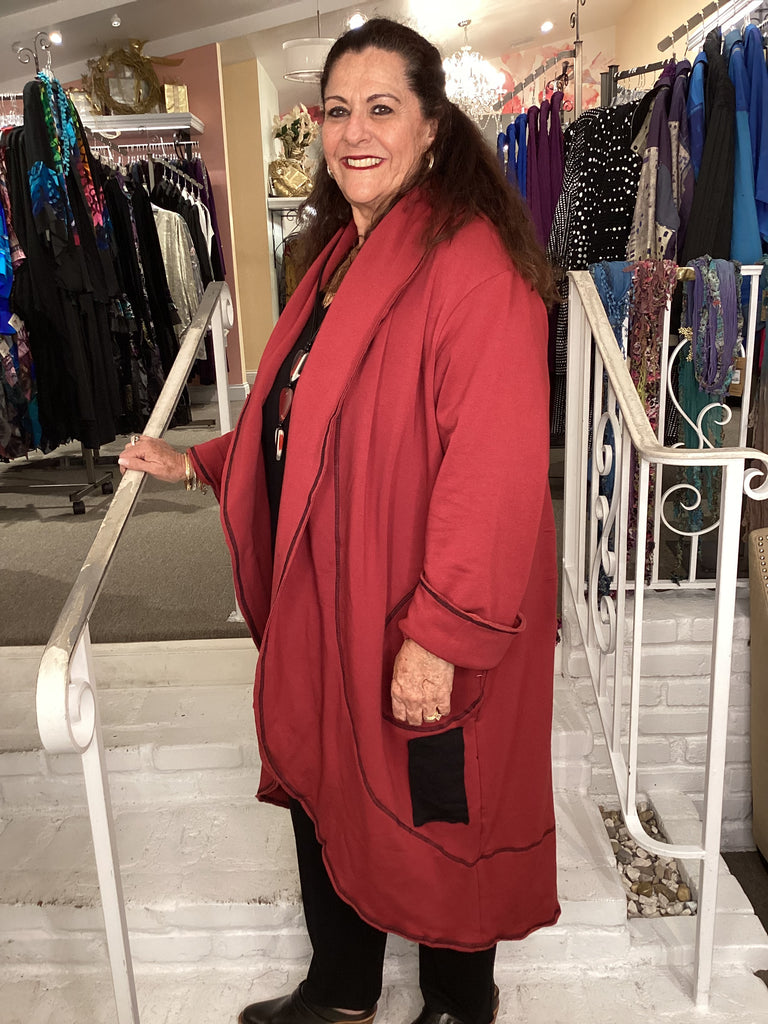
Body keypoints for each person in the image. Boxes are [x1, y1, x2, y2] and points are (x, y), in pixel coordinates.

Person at [119, 18, 560, 1024]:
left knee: (443, 804)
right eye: (337, 110)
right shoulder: (339, 259)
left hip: (423, 604)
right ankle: (342, 989)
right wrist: (202, 462)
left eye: (382, 109)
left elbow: (493, 475)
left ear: (433, 128)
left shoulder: (474, 265)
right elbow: (301, 411)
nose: (354, 132)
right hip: (335, 593)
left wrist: (441, 637)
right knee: (328, 779)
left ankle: (458, 1004)